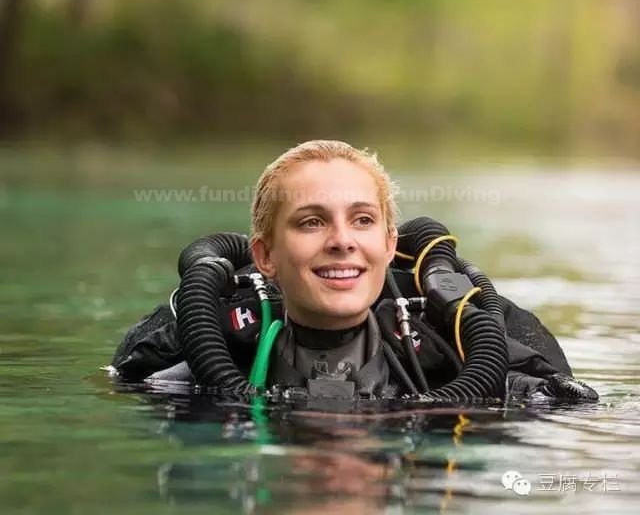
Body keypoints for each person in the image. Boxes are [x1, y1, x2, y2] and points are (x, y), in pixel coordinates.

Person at [111, 140, 598, 404]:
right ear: (265, 256)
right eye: (311, 222)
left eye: (363, 220)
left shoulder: (452, 352)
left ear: (389, 245)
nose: (342, 240)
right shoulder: (208, 361)